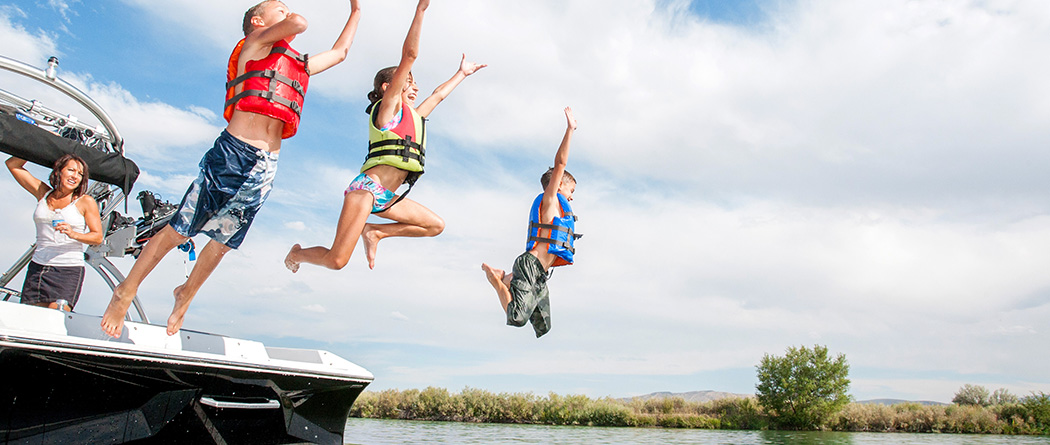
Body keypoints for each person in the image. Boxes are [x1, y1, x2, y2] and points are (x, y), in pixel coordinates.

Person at [101, 0, 363, 338]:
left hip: (266, 166)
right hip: (233, 155)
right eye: (278, 9)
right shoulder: (253, 47)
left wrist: (355, 11)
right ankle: (126, 290)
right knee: (181, 228)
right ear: (258, 21)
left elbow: (341, 53)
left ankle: (186, 293)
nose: (287, 13)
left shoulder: (297, 63)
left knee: (224, 242)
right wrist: (289, 19)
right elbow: (299, 23)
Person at [284, 0, 486, 272]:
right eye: (409, 83)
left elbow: (437, 95)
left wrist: (461, 73)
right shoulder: (388, 109)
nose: (415, 88)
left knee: (435, 225)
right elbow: (409, 56)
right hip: (366, 190)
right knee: (337, 260)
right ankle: (297, 254)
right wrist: (420, 11)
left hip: (387, 196)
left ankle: (376, 232)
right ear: (389, 87)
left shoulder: (413, 116)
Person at [481, 107, 579, 338]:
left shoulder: (559, 209)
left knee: (544, 326)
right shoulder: (551, 200)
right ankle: (497, 281)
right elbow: (561, 163)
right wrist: (570, 130)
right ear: (559, 185)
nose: (572, 196)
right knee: (517, 318)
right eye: (571, 190)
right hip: (530, 265)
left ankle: (508, 278)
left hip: (538, 273)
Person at [6, 154, 103, 311]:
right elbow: (13, 165)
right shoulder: (43, 193)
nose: (75, 176)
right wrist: (40, 142)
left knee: (54, 318)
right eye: (71, 170)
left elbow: (97, 237)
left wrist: (73, 234)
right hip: (38, 267)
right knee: (31, 318)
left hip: (68, 269)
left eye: (80, 174)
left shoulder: (85, 201)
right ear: (58, 171)